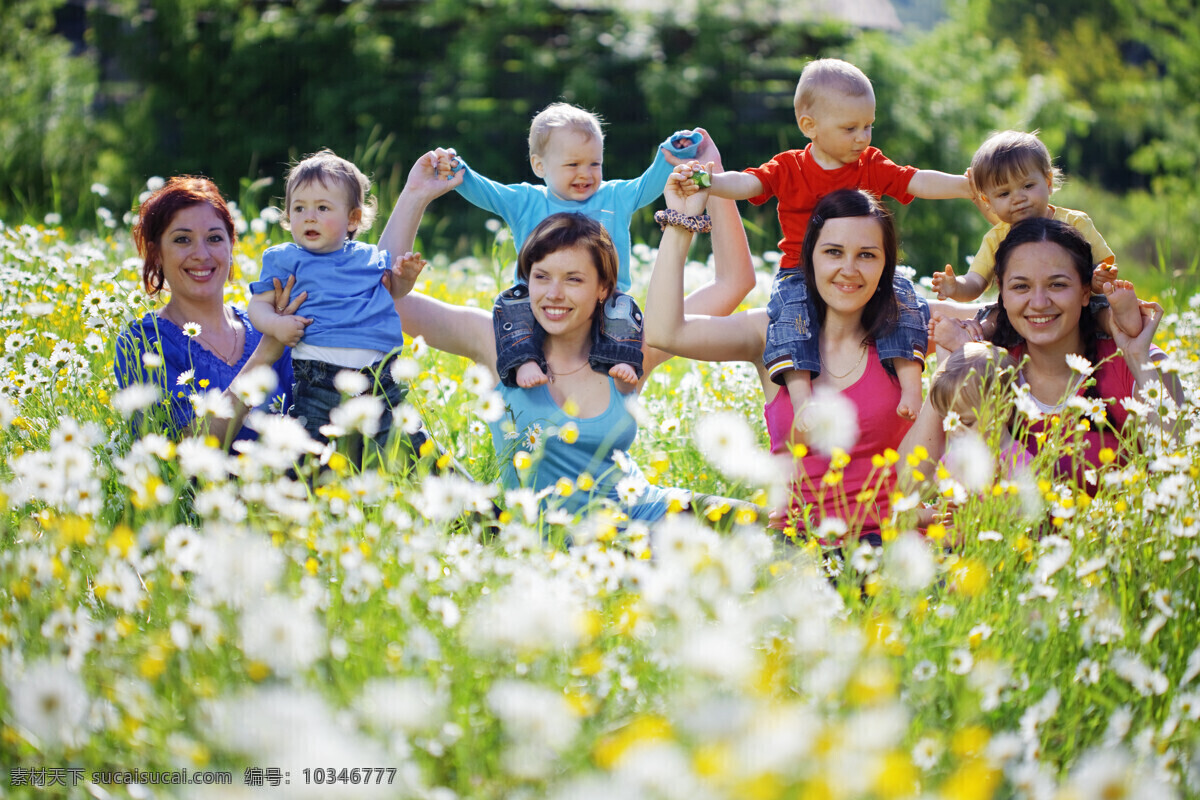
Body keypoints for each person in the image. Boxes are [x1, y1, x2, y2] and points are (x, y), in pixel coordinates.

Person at [376, 142, 756, 523]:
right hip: (552, 549)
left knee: (780, 533)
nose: (553, 294)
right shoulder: (495, 342)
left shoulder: (631, 346)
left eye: (574, 279)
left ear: (603, 288)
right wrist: (414, 196)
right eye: (541, 277)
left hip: (646, 522)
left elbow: (733, 282)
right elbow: (387, 300)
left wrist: (714, 175)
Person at [682, 58, 974, 434]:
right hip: (799, 273)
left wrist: (965, 186)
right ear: (809, 126)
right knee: (789, 319)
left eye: (869, 125)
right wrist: (711, 183)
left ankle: (911, 388)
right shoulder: (789, 168)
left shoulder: (870, 164)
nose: (863, 137)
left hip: (866, 271)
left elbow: (916, 181)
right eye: (850, 128)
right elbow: (747, 184)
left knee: (904, 304)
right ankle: (802, 400)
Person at [645, 176, 931, 546]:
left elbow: (1009, 316)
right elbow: (664, 332)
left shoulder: (911, 323)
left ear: (885, 265)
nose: (849, 269)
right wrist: (681, 220)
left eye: (867, 255)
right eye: (833, 252)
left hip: (893, 547)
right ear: (809, 257)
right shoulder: (770, 330)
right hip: (797, 551)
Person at [433, 103, 704, 390]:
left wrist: (674, 153)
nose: (585, 174)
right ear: (540, 165)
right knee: (510, 308)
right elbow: (488, 193)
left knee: (625, 311)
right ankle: (525, 360)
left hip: (606, 298)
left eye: (594, 164)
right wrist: (458, 171)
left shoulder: (615, 196)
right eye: (573, 164)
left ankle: (621, 357)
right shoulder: (525, 200)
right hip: (537, 299)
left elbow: (647, 185)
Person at [913, 217, 1183, 492]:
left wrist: (1138, 358)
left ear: (1085, 292)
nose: (1039, 303)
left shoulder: (1139, 365)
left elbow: (1181, 474)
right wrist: (950, 364)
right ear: (1002, 294)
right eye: (1021, 287)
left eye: (1057, 285)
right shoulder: (986, 370)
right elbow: (909, 484)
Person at [247, 149, 418, 459]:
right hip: (318, 380)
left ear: (353, 218)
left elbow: (392, 293)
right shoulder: (286, 258)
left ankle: (473, 506)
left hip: (381, 379)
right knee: (310, 459)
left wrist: (405, 279)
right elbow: (258, 306)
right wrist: (276, 325)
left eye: (322, 207)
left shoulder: (369, 257)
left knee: (407, 453)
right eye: (298, 208)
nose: (308, 217)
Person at [114, 176, 302, 445]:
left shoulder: (266, 326)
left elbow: (319, 416)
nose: (201, 254)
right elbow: (180, 454)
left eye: (214, 238)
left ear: (230, 247)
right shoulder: (143, 343)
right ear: (156, 255)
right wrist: (264, 356)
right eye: (182, 240)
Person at [931, 130, 1142, 339]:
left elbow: (1100, 267)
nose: (1018, 198)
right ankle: (969, 337)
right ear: (988, 202)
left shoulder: (1074, 222)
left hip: (1077, 304)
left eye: (1028, 186)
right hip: (1022, 312)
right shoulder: (996, 238)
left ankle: (1121, 320)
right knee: (991, 318)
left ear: (1048, 182)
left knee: (1099, 311)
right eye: (1004, 193)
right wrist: (956, 286)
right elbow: (976, 283)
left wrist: (1098, 279)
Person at [928, 342, 1030, 478]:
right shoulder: (953, 461)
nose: (954, 430)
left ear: (1001, 411)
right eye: (949, 421)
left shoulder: (1019, 463)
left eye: (966, 422)